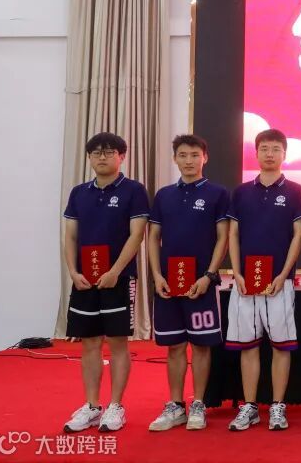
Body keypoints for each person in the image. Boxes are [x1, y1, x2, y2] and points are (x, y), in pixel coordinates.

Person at [61, 132, 149, 434]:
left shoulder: (134, 190)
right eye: (96, 152)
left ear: (121, 157)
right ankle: (91, 405)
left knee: (118, 342)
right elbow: (70, 236)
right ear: (89, 157)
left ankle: (115, 406)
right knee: (89, 343)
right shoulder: (79, 193)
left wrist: (115, 271)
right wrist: (73, 272)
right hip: (84, 280)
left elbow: (136, 235)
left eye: (109, 152)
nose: (102, 157)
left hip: (119, 279)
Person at [224, 129, 301, 431]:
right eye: (264, 149)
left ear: (284, 154)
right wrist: (236, 273)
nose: (270, 154)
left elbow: (298, 236)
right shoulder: (241, 192)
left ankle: (277, 406)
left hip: (279, 282)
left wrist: (284, 274)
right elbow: (233, 234)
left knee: (281, 346)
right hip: (245, 282)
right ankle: (249, 406)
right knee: (248, 345)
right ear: (256, 153)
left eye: (275, 149)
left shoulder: (295, 191)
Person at [147, 135, 229, 431]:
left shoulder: (218, 194)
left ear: (204, 157)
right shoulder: (164, 195)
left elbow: (223, 238)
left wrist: (209, 275)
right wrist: (157, 275)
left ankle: (199, 403)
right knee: (174, 346)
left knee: (202, 345)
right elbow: (153, 238)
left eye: (195, 155)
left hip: (201, 285)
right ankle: (175, 405)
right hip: (168, 284)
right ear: (175, 159)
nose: (189, 160)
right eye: (183, 155)